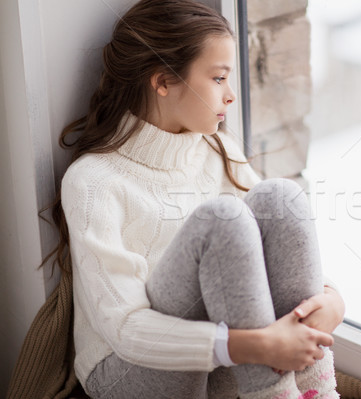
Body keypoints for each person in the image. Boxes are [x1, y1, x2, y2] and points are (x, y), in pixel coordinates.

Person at [52, 0, 345, 398]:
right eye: (219, 78)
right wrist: (256, 345)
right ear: (163, 82)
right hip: (130, 369)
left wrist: (330, 300)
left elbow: (279, 252)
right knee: (223, 219)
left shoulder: (215, 149)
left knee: (281, 196)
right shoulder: (93, 182)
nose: (231, 96)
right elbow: (126, 330)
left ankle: (317, 392)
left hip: (219, 358)